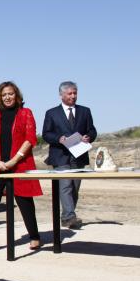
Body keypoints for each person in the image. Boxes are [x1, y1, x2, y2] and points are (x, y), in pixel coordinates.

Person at [0, 81, 43, 254]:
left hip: (20, 165)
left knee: (25, 203)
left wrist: (14, 160)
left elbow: (30, 139)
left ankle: (34, 237)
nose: (7, 97)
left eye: (10, 94)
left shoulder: (25, 113)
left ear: (17, 95)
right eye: (4, 94)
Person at [42, 81, 97, 229]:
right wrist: (58, 139)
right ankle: (69, 217)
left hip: (79, 155)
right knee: (65, 186)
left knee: (74, 187)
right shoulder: (51, 113)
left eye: (75, 93)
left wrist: (88, 137)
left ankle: (67, 216)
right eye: (70, 93)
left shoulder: (85, 111)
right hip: (60, 156)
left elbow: (92, 130)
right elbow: (46, 134)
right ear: (61, 95)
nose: (73, 96)